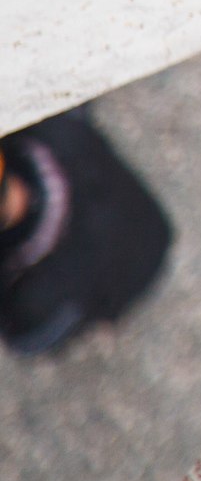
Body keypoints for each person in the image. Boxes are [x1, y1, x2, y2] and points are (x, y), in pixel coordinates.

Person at [0, 107, 174, 352]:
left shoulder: (34, 301)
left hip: (131, 273)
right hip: (149, 222)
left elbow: (25, 341)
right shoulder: (50, 123)